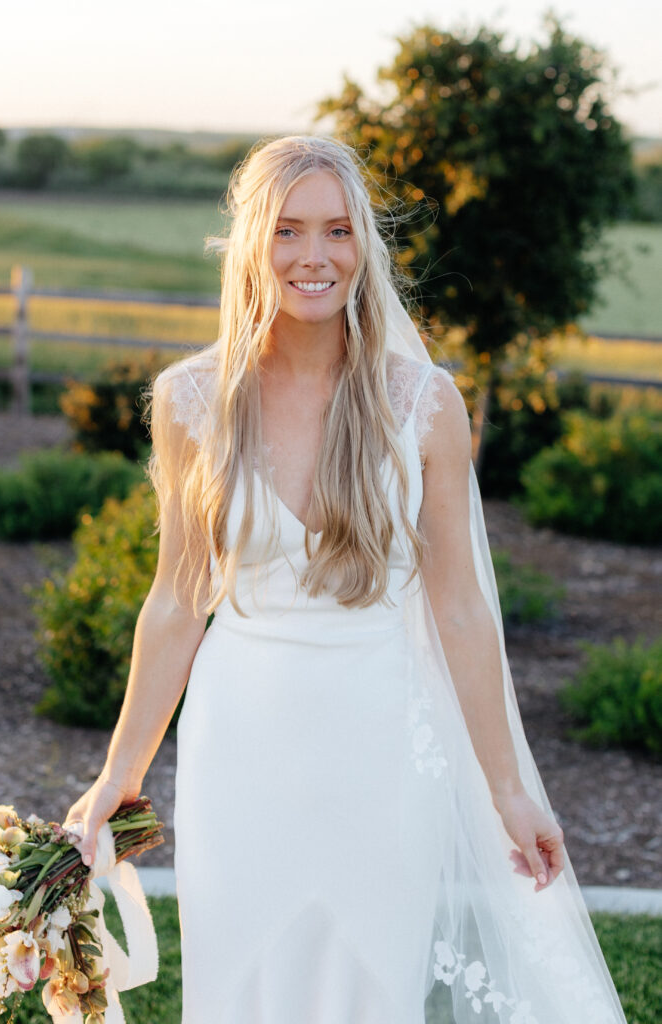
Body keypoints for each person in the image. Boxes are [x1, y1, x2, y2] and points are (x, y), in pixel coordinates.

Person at [64, 135, 629, 1023]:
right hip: (239, 741)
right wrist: (115, 775)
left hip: (379, 740)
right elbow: (177, 600)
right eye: (288, 230)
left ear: (363, 245)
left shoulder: (423, 403)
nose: (314, 257)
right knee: (240, 979)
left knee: (373, 982)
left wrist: (508, 789)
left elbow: (460, 608)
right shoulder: (188, 402)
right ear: (253, 242)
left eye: (336, 230)